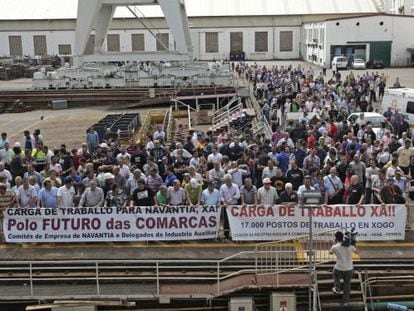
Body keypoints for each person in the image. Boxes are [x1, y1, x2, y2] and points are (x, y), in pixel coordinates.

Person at [329, 231, 358, 305]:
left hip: (339, 267)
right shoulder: (350, 246)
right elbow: (357, 252)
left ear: (336, 238)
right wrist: (353, 244)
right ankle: (345, 301)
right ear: (343, 237)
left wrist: (334, 243)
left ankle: (337, 288)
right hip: (349, 268)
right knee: (347, 285)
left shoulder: (334, 247)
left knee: (335, 274)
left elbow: (330, 252)